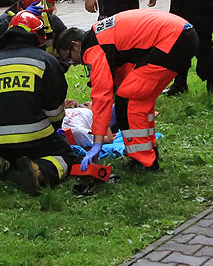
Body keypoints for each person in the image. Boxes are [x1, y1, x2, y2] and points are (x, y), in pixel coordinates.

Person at [56, 9, 198, 171]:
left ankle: (144, 162)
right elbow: (126, 68)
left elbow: (102, 95)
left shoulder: (94, 48)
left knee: (129, 99)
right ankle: (147, 152)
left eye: (69, 58)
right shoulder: (101, 37)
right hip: (180, 35)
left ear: (76, 45)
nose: (73, 64)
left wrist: (97, 141)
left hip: (173, 39)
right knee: (136, 98)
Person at [0, 11, 77, 195]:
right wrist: (52, 135)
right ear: (38, 36)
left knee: (8, 152)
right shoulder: (46, 60)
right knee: (66, 155)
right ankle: (38, 171)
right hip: (32, 137)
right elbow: (54, 114)